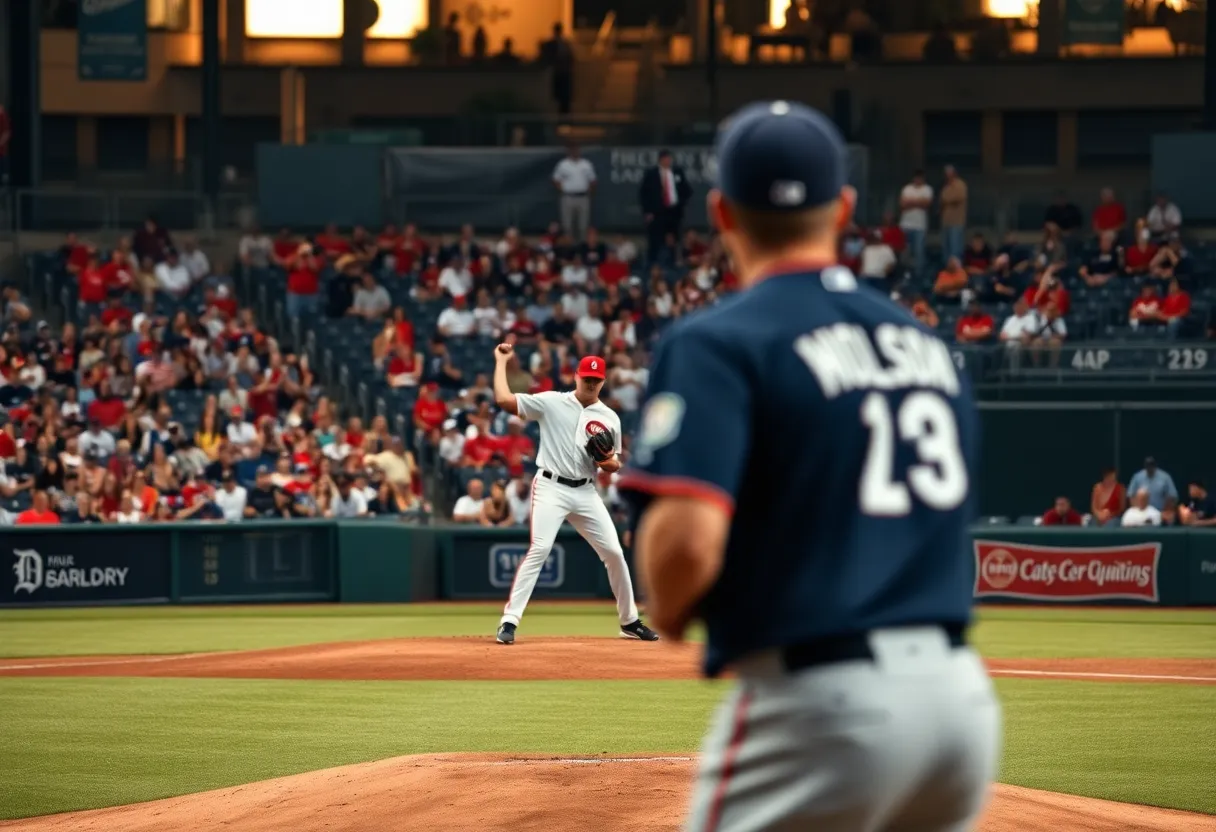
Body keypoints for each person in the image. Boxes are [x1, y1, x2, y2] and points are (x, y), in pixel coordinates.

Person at [618, 100, 999, 832]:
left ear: (722, 213)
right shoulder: (924, 345)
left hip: (824, 706)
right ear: (845, 208)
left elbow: (690, 545)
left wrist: (668, 605)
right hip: (960, 706)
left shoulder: (719, 341)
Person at [492, 342, 657, 645]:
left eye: (596, 380)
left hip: (585, 491)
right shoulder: (551, 402)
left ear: (603, 382)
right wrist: (501, 361)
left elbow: (614, 462)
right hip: (550, 486)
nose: (591, 383)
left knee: (615, 553)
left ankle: (629, 621)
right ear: (576, 377)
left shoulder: (610, 417)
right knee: (540, 549)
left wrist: (608, 462)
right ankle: (509, 621)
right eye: (586, 378)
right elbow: (503, 400)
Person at [639, 150, 693, 265]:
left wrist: (680, 203)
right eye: (666, 159)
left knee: (673, 242)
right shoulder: (651, 174)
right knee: (655, 242)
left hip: (673, 214)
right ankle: (653, 266)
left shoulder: (677, 172)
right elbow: (643, 194)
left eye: (669, 159)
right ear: (661, 160)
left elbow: (687, 190)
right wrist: (647, 212)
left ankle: (672, 264)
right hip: (656, 213)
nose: (668, 161)